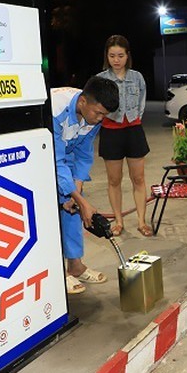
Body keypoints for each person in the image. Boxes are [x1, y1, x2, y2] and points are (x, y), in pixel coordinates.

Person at [52, 77, 120, 294]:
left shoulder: (92, 119)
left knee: (72, 208)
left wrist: (77, 192)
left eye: (104, 116)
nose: (100, 119)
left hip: (67, 155)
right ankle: (55, 272)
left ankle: (75, 266)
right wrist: (80, 199)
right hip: (41, 155)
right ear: (82, 102)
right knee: (49, 217)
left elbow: (83, 153)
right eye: (98, 113)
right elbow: (55, 159)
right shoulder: (55, 111)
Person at [97, 35, 152, 237]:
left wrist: (135, 117)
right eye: (112, 56)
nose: (116, 60)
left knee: (138, 178)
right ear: (107, 57)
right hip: (111, 133)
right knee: (114, 180)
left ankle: (141, 221)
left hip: (134, 131)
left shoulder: (137, 77)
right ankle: (118, 222)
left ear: (127, 56)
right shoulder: (101, 79)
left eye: (120, 55)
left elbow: (142, 100)